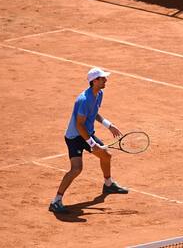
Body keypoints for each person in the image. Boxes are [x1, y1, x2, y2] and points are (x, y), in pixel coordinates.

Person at [49, 67, 128, 213]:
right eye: (103, 78)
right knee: (76, 169)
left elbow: (95, 113)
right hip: (75, 137)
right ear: (94, 81)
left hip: (87, 133)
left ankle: (108, 184)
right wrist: (92, 144)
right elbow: (79, 125)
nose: (106, 80)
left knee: (106, 155)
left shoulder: (99, 94)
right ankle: (56, 201)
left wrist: (108, 125)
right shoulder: (84, 100)